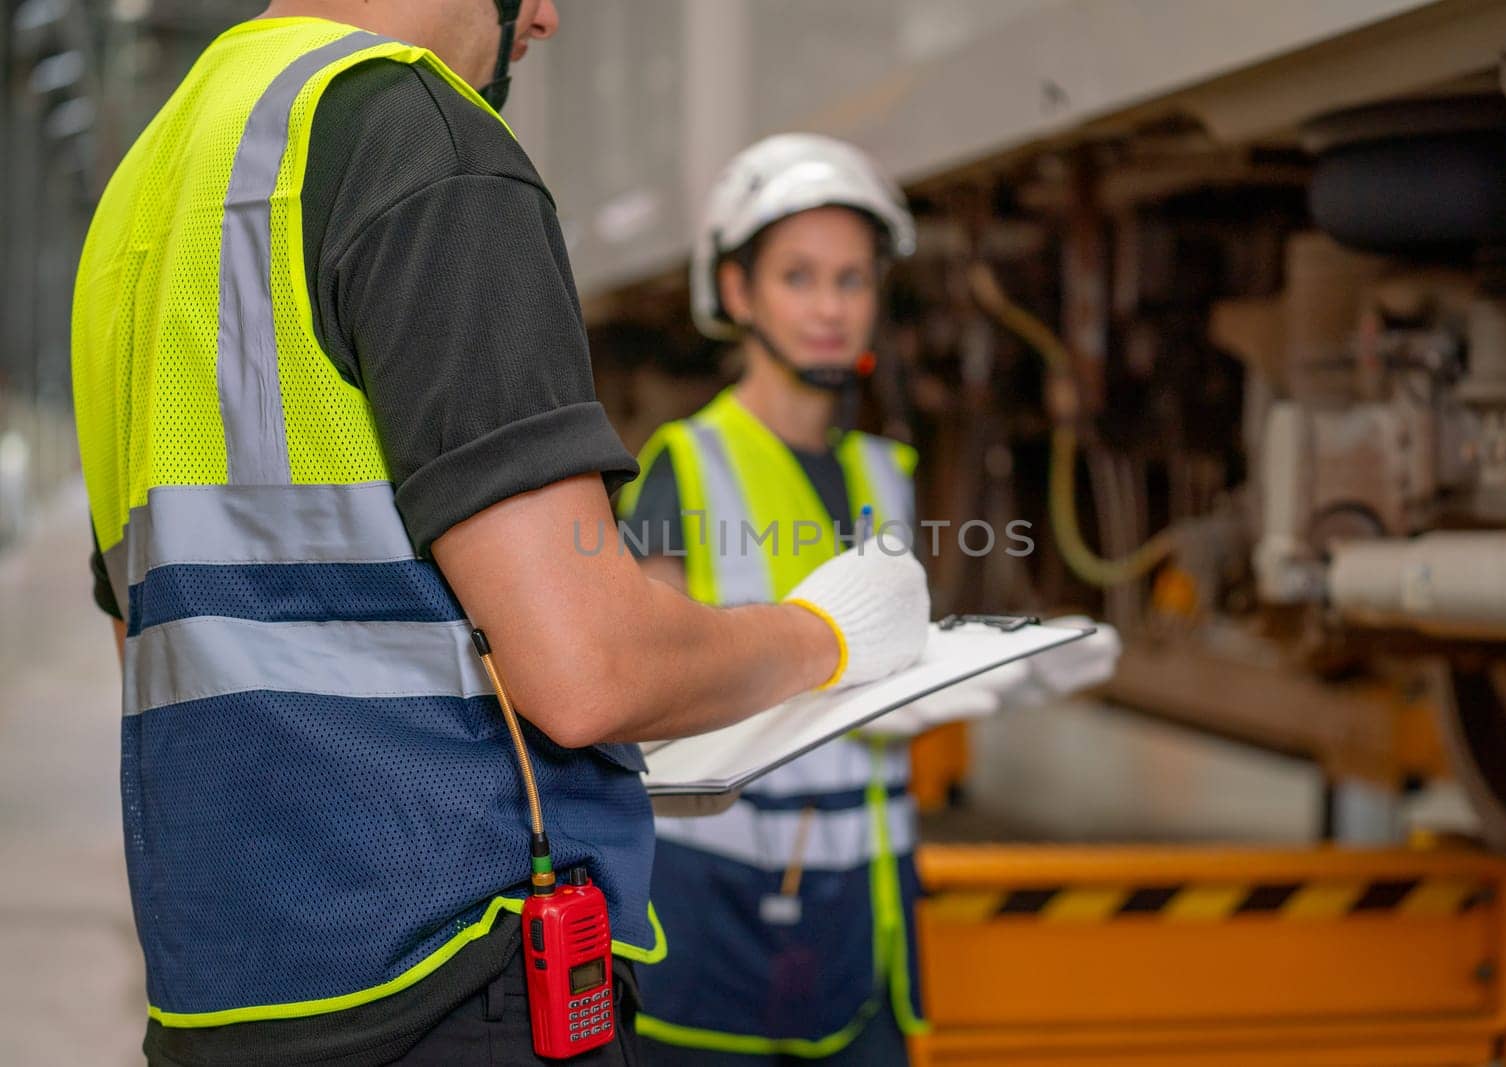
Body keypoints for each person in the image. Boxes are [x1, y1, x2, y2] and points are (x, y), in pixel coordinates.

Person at [70, 4, 930, 1065]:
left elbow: (160, 647)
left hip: (224, 996)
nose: (549, 16)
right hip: (446, 971)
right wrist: (823, 634)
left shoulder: (143, 194)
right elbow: (586, 670)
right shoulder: (415, 134)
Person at [617, 133, 1009, 1066]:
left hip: (867, 923)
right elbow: (645, 696)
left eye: (853, 279)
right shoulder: (688, 462)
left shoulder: (889, 472)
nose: (832, 308)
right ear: (740, 293)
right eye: (799, 277)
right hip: (725, 930)